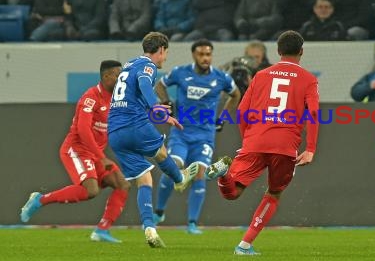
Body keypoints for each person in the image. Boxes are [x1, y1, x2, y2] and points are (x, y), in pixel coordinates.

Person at [205, 30, 319, 255]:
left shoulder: (261, 75)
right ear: (302, 52)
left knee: (232, 192)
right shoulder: (308, 79)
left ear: (278, 51)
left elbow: (241, 110)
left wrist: (247, 138)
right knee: (274, 193)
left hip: (255, 140)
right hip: (285, 145)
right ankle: (244, 245)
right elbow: (313, 113)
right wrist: (311, 149)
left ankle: (224, 173)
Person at [20, 60, 130, 243]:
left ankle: (102, 231)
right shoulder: (90, 97)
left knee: (122, 184)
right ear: (106, 77)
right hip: (77, 150)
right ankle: (40, 199)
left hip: (95, 153)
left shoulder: (117, 99)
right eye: (118, 76)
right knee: (91, 190)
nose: (122, 80)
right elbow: (83, 130)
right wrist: (102, 158)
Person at [107, 32, 200, 248]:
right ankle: (179, 179)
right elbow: (145, 85)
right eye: (165, 53)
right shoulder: (147, 66)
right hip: (134, 124)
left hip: (115, 132)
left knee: (145, 179)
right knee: (161, 153)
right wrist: (158, 107)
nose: (165, 58)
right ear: (161, 50)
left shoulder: (129, 65)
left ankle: (149, 228)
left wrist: (156, 111)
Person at [153, 39, 241, 234]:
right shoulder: (180, 72)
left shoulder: (221, 78)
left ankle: (192, 223)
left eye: (208, 54)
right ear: (194, 55)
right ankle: (158, 212)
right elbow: (160, 85)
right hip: (181, 133)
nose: (205, 58)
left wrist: (223, 117)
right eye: (201, 54)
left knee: (200, 174)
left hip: (204, 136)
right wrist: (167, 102)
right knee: (173, 169)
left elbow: (236, 94)